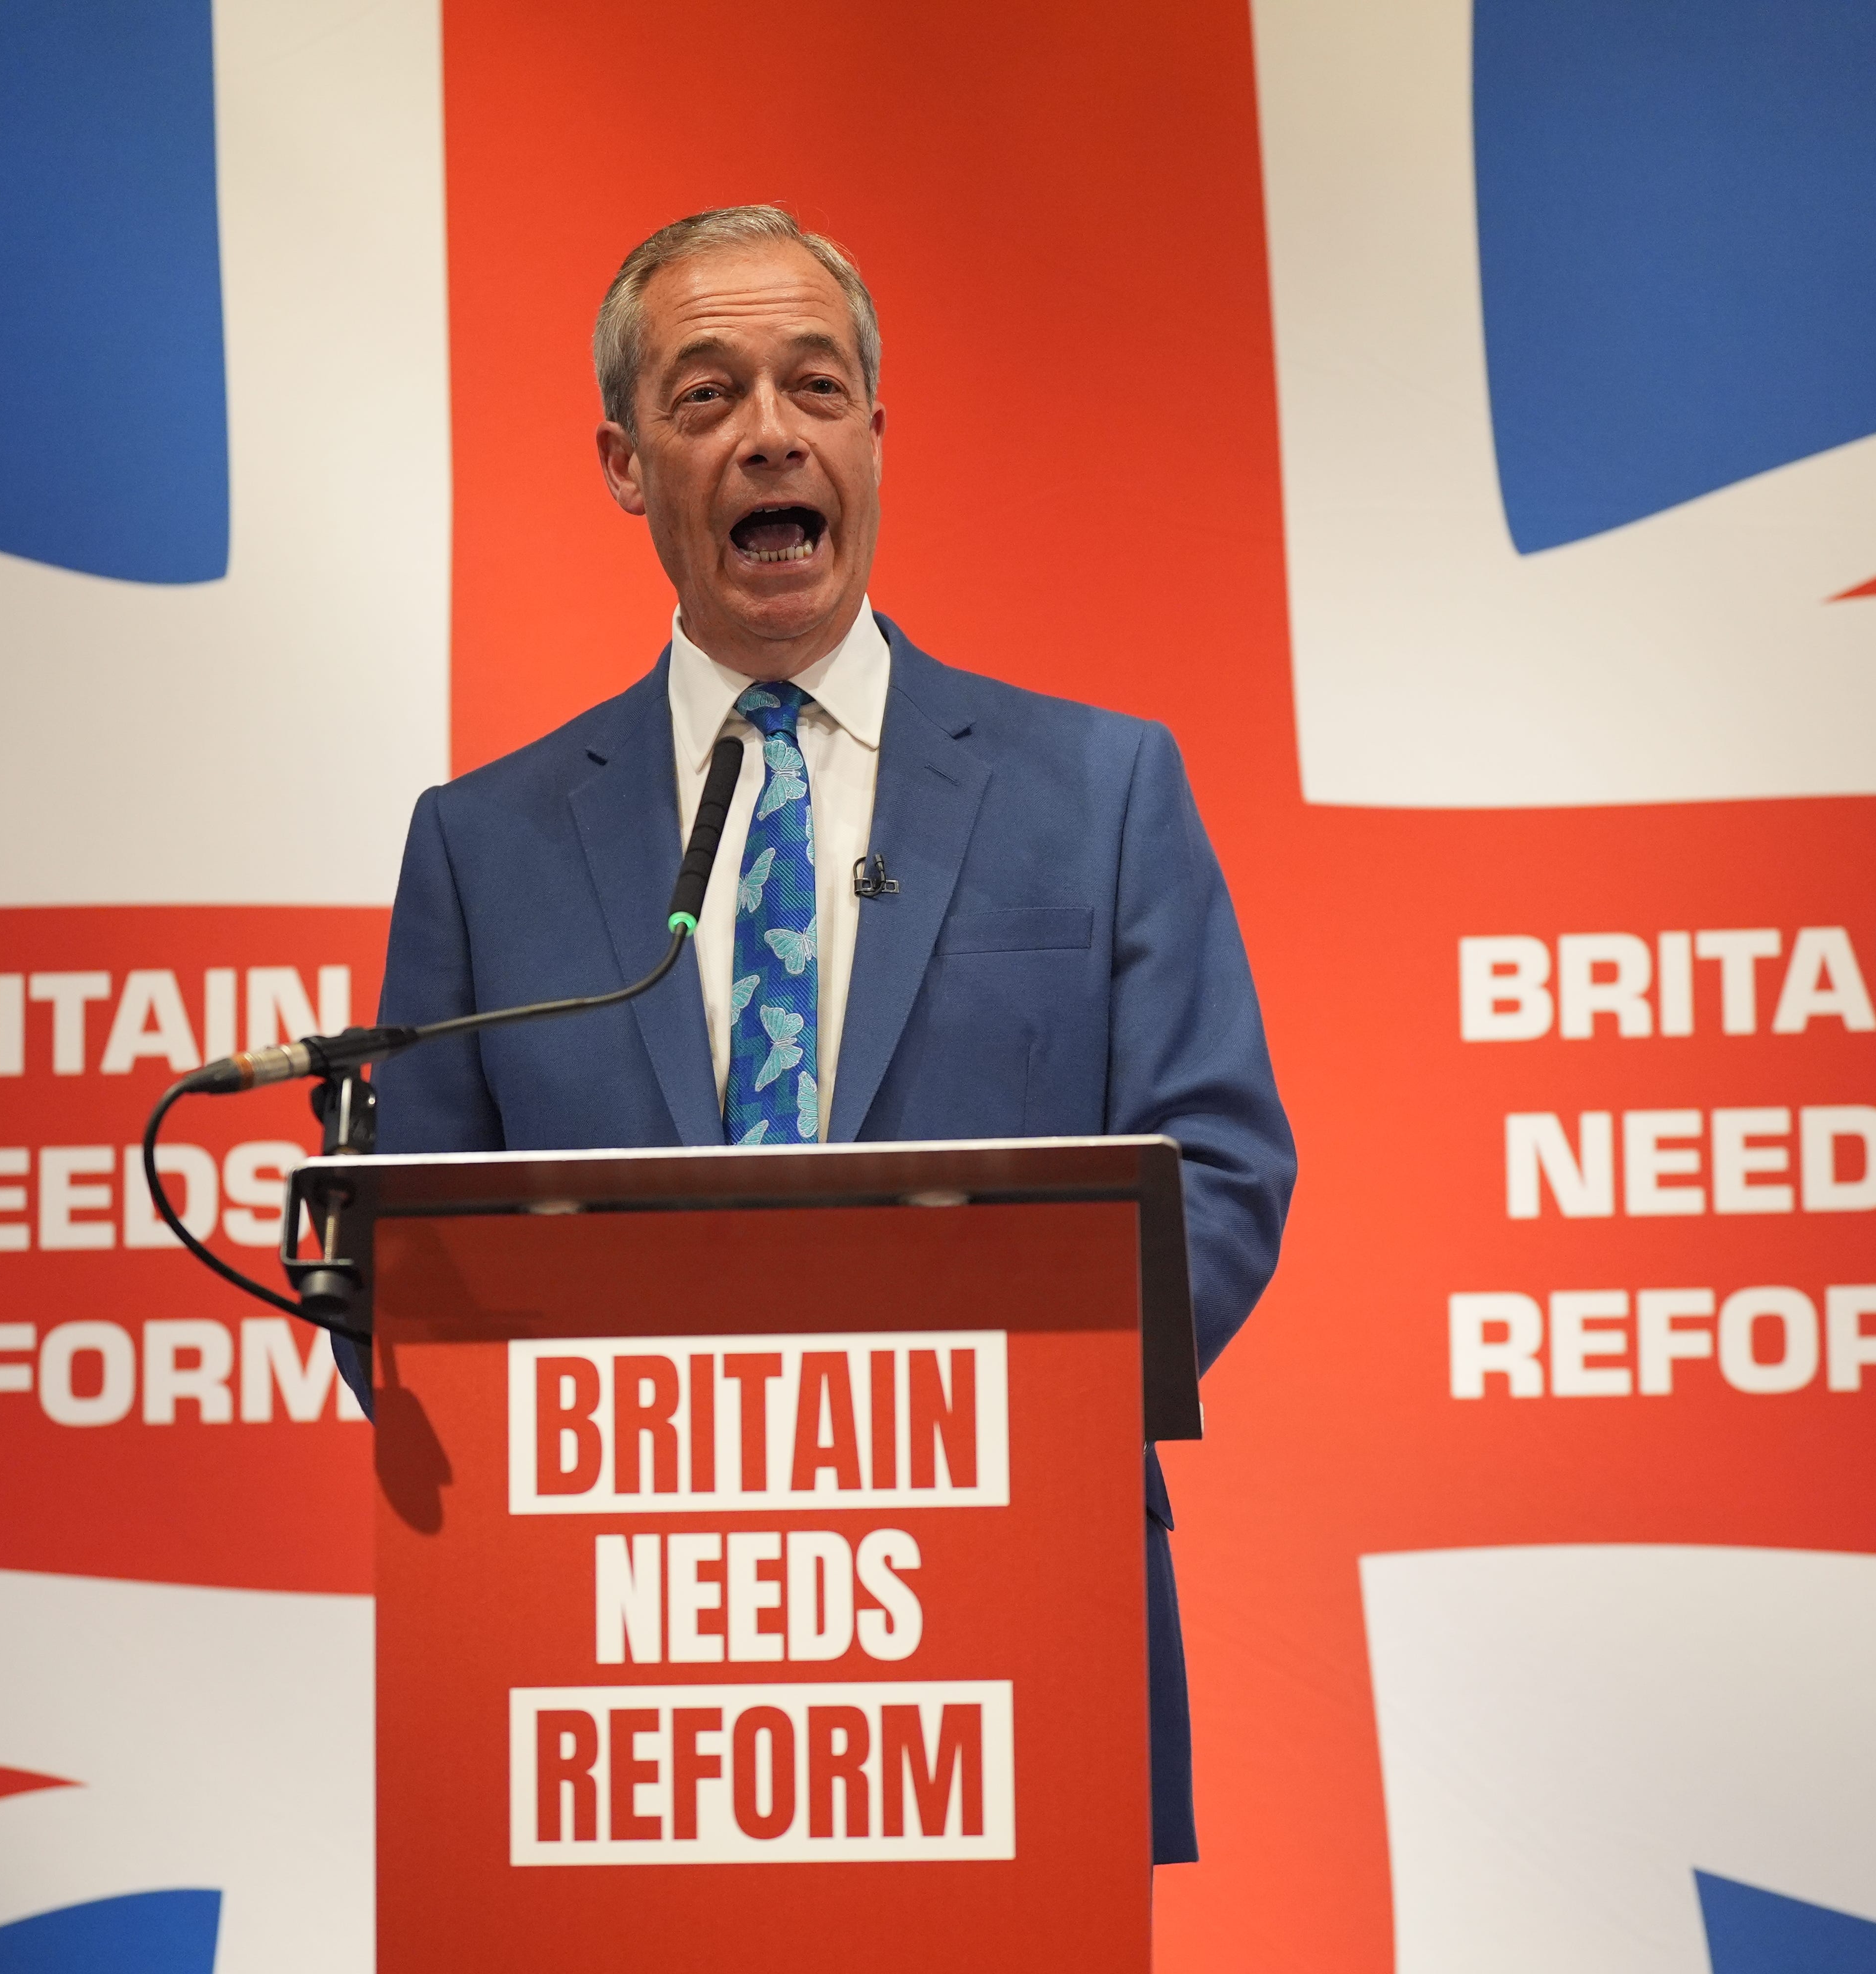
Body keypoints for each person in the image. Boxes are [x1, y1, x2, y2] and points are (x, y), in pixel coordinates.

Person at [345, 204, 1294, 1863]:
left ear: (873, 431)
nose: (770, 432)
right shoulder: (482, 848)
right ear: (627, 463)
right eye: (705, 396)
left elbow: (1217, 1169)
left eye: (816, 386)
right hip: (617, 1675)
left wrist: (970, 1432)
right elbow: (399, 1257)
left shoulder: (1099, 791)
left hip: (1010, 1629)